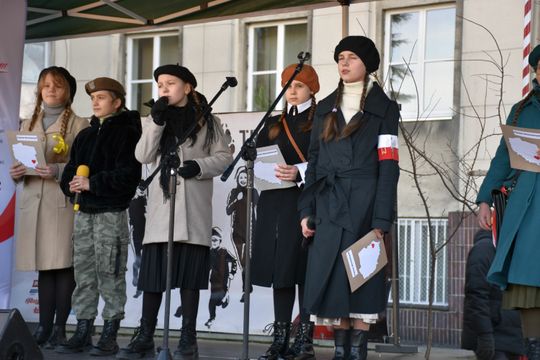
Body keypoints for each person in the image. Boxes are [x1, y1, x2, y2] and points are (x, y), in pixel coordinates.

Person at [116, 64, 232, 360]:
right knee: (154, 276)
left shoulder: (210, 121)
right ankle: (144, 336)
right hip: (161, 209)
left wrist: (200, 166)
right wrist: (155, 122)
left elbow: (224, 157)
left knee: (190, 277)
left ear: (188, 87)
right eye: (160, 84)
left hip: (192, 209)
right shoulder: (155, 119)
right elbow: (142, 155)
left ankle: (188, 339)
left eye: (170, 83)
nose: (163, 89)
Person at [298, 36, 399, 360]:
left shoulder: (384, 109)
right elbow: (313, 163)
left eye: (352, 57)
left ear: (367, 64)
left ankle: (357, 354)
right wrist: (306, 210)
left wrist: (381, 222)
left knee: (362, 286)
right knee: (333, 286)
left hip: (365, 209)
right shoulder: (325, 107)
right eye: (340, 56)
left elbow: (389, 167)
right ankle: (341, 354)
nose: (344, 63)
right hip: (327, 207)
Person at [57, 77, 142, 356]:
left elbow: (129, 176)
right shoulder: (85, 134)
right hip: (83, 214)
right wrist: (70, 184)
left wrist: (93, 183)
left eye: (102, 97)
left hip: (110, 213)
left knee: (110, 271)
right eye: (93, 98)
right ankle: (82, 329)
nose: (95, 102)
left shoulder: (127, 133)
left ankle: (109, 333)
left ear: (117, 102)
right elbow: (71, 170)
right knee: (83, 272)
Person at [9, 66, 88, 348]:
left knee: (63, 266)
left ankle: (59, 328)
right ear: (39, 92)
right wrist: (16, 173)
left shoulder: (81, 125)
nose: (51, 90)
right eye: (46, 86)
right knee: (44, 267)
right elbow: (22, 163)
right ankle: (43, 326)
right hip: (34, 203)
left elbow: (86, 167)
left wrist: (58, 169)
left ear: (69, 91)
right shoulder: (27, 125)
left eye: (57, 85)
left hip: (61, 203)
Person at [251, 63, 320, 360]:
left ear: (311, 88)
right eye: (287, 85)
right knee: (281, 271)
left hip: (305, 202)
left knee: (303, 270)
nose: (291, 91)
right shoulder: (272, 123)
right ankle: (280, 338)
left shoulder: (320, 121)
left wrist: (300, 171)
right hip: (273, 203)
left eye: (298, 85)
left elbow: (326, 161)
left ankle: (304, 339)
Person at [477, 43, 540, 360]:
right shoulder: (521, 111)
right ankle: (534, 348)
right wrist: (485, 199)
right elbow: (503, 160)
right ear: (537, 72)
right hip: (528, 209)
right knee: (529, 284)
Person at [461, 230, 525, 360]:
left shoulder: (515, 248)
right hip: (493, 337)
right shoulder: (484, 250)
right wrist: (484, 335)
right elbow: (476, 296)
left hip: (513, 338)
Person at [225, 165, 259, 302]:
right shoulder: (233, 192)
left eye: (246, 177)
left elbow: (259, 206)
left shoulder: (253, 191)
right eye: (241, 177)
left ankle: (247, 288)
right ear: (237, 178)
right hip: (237, 232)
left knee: (248, 259)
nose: (243, 179)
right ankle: (247, 287)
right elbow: (228, 211)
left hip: (251, 230)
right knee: (242, 261)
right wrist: (236, 199)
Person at [205, 226, 237, 329]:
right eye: (211, 240)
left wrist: (232, 272)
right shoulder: (210, 252)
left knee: (219, 300)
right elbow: (207, 266)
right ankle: (211, 318)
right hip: (214, 281)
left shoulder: (224, 251)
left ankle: (225, 299)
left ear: (220, 241)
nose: (213, 242)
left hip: (223, 281)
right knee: (212, 301)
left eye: (215, 240)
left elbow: (234, 260)